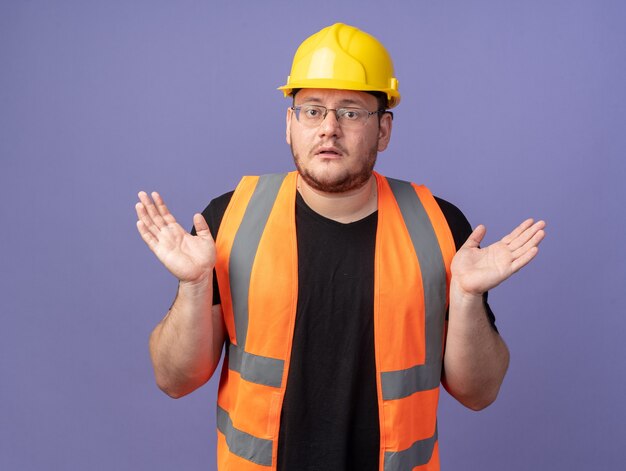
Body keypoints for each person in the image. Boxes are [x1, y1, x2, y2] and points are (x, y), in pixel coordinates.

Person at [135, 23, 545, 471]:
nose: (329, 128)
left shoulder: (439, 226)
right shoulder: (228, 220)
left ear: (383, 131)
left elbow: (478, 392)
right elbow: (174, 379)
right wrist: (195, 285)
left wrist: (465, 297)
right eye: (312, 110)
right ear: (288, 125)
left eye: (351, 112)